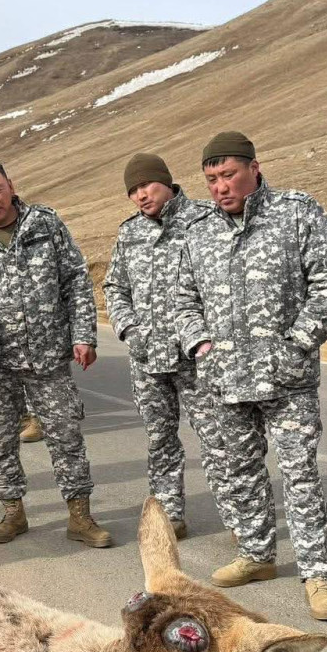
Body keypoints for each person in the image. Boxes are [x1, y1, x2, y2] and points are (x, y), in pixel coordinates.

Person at [176, 131, 327, 622]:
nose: (220, 187)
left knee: (300, 476)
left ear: (254, 168)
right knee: (241, 470)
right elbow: (184, 298)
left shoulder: (295, 213)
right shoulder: (198, 230)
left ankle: (317, 574)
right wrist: (200, 343)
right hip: (225, 378)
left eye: (228, 175)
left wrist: (298, 342)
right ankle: (256, 555)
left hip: (287, 379)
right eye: (211, 179)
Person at [0, 158, 112, 548]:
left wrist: (84, 335)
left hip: (47, 358)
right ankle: (13, 513)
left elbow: (76, 283)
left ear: (11, 187)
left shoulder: (46, 225)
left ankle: (80, 517)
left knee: (66, 437)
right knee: (0, 442)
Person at [104, 152, 234, 540]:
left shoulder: (206, 220)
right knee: (160, 441)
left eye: (146, 185)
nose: (141, 195)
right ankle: (170, 515)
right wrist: (129, 330)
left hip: (198, 359)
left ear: (166, 181)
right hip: (147, 360)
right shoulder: (130, 233)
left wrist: (211, 338)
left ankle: (239, 520)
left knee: (218, 439)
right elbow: (115, 288)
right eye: (133, 190)